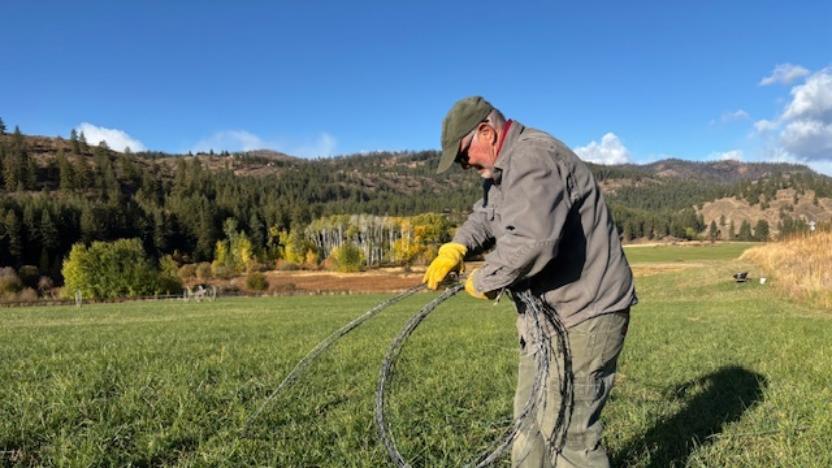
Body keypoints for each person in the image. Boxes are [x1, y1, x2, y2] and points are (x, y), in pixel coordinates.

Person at [423, 96, 637, 467]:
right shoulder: (502, 172)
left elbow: (532, 242)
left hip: (585, 312)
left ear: (487, 132)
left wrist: (485, 279)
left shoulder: (533, 159)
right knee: (529, 423)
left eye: (462, 156)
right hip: (547, 317)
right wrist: (455, 247)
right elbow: (487, 216)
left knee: (570, 435)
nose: (464, 166)